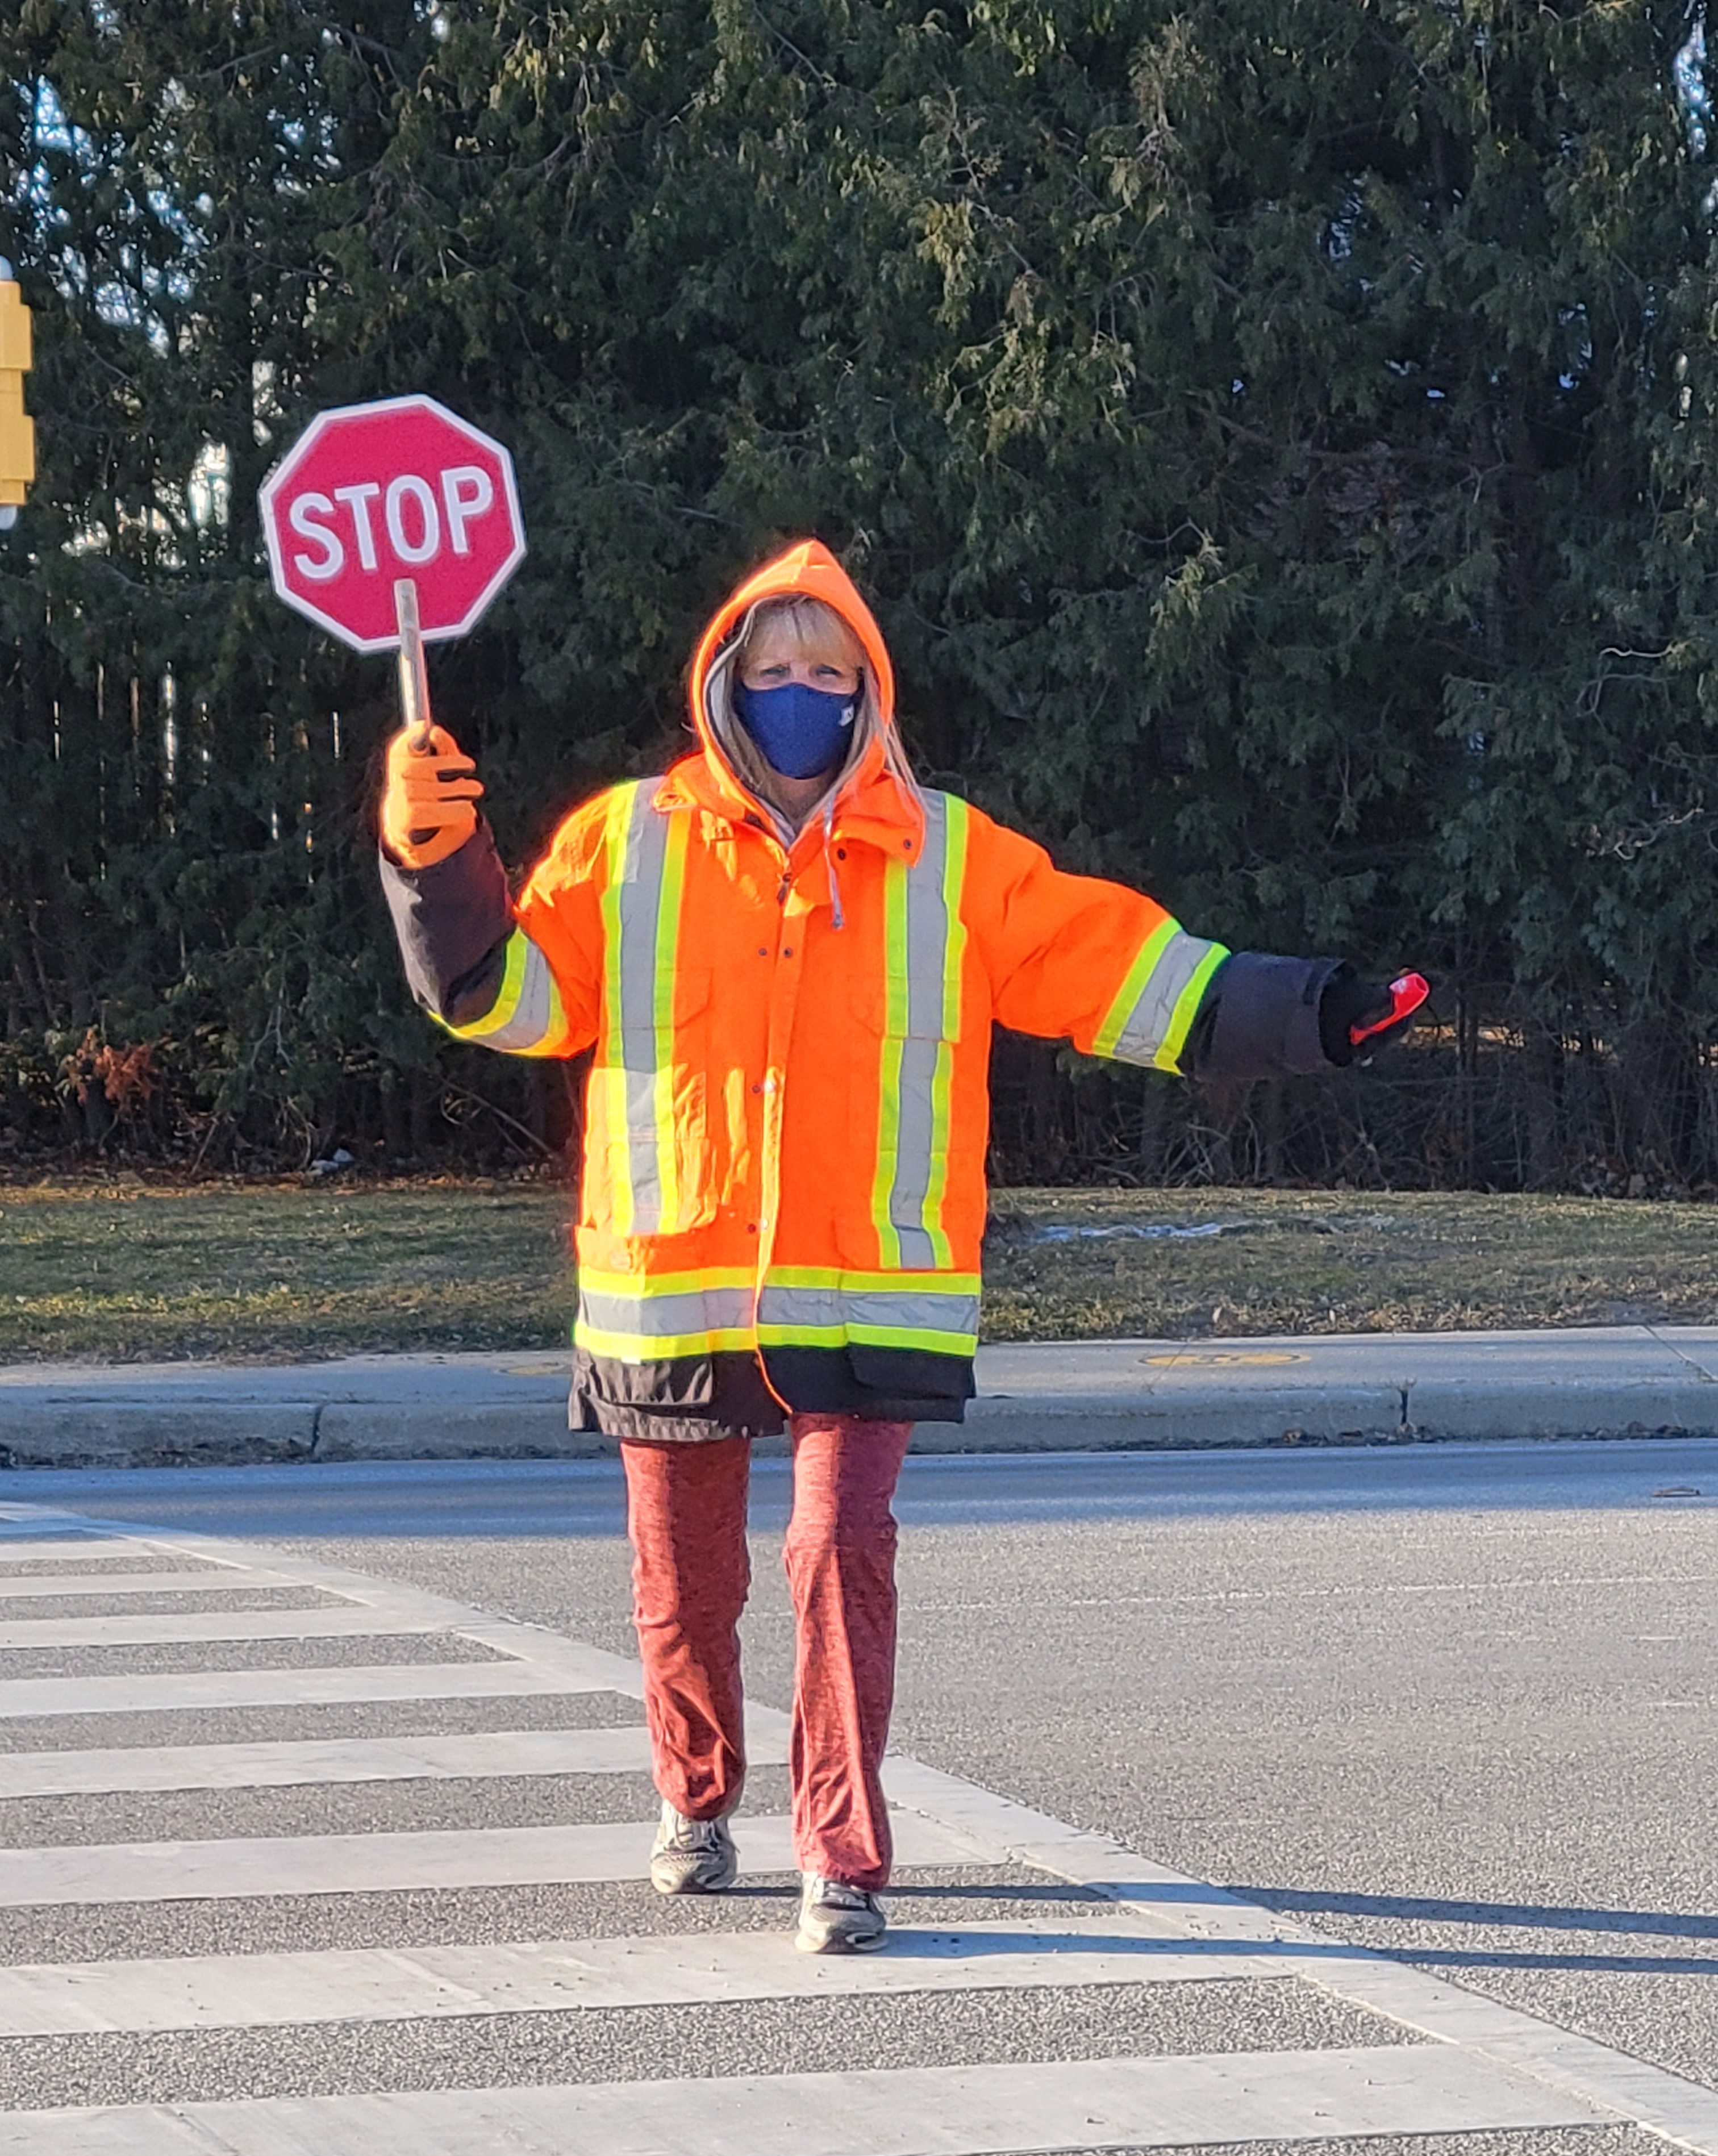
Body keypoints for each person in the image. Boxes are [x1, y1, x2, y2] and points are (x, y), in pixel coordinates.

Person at [378, 539, 1417, 1954]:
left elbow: (1121, 968)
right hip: (667, 1289)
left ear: (872, 692)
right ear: (724, 687)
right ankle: (695, 1798)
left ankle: (842, 1853)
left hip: (877, 1291)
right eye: (774, 668)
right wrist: (434, 862)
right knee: (684, 1582)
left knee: (833, 1549)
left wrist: (1312, 1012)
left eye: (831, 669)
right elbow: (499, 998)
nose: (802, 692)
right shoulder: (628, 841)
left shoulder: (951, 854)